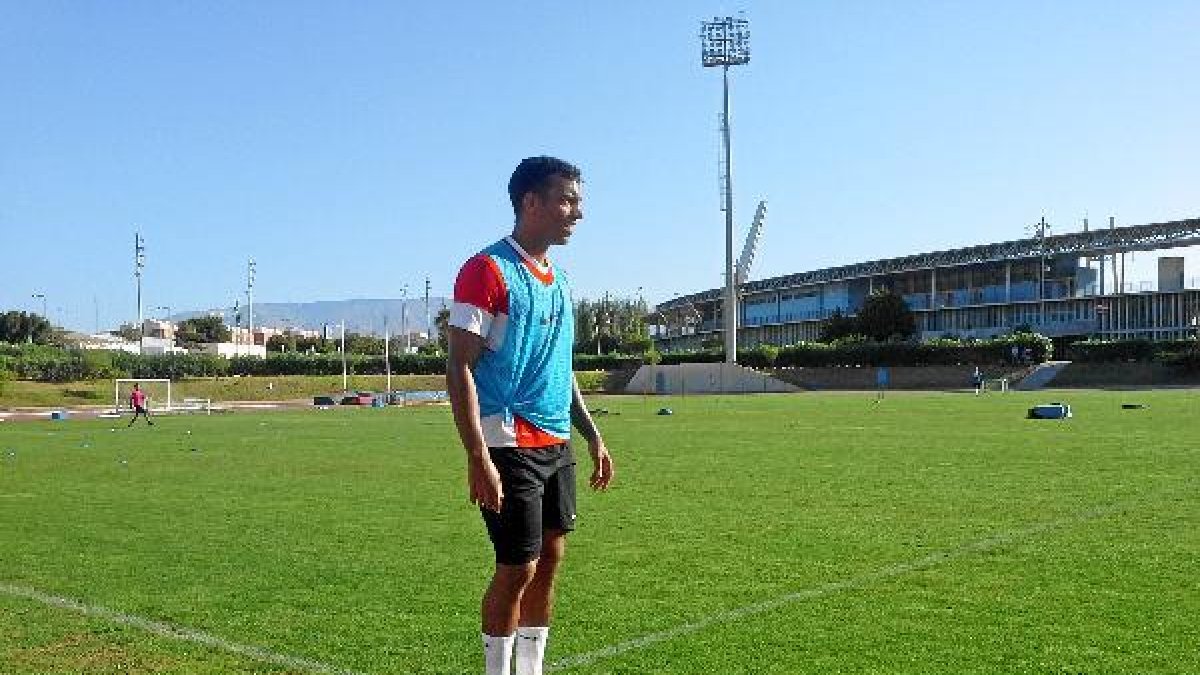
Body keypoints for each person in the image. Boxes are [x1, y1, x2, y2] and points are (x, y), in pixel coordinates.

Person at [446, 156, 614, 675]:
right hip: (507, 441)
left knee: (551, 561)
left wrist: (592, 435)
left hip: (556, 442)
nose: (577, 213)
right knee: (517, 567)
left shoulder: (561, 282)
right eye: (567, 200)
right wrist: (478, 456)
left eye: (578, 202)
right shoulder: (487, 270)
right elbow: (459, 365)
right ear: (531, 202)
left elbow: (561, 370)